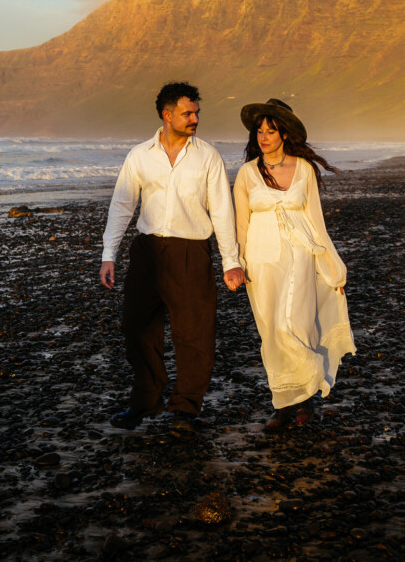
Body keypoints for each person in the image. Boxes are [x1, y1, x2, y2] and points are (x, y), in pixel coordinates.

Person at [99, 82, 245, 434]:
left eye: (196, 112)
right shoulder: (139, 155)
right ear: (167, 116)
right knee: (137, 327)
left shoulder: (207, 155)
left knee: (195, 333)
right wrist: (109, 255)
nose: (195, 118)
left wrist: (231, 261)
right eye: (187, 113)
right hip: (147, 251)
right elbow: (122, 205)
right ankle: (146, 400)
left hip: (190, 252)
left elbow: (222, 211)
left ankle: (185, 408)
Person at [232, 98, 356, 431]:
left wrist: (333, 267)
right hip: (261, 261)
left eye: (270, 131)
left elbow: (317, 223)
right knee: (271, 332)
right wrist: (236, 263)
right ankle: (285, 405)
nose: (264, 137)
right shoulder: (246, 174)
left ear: (284, 134)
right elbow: (241, 225)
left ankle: (304, 395)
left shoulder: (303, 169)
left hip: (300, 257)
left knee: (296, 324)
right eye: (259, 131)